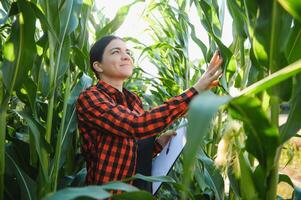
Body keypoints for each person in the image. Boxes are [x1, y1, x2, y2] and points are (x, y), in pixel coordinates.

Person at [76, 35, 223, 194]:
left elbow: (131, 152)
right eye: (116, 52)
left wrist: (157, 145)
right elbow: (136, 125)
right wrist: (195, 90)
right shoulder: (90, 98)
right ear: (98, 66)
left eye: (127, 52)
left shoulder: (133, 101)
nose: (126, 56)